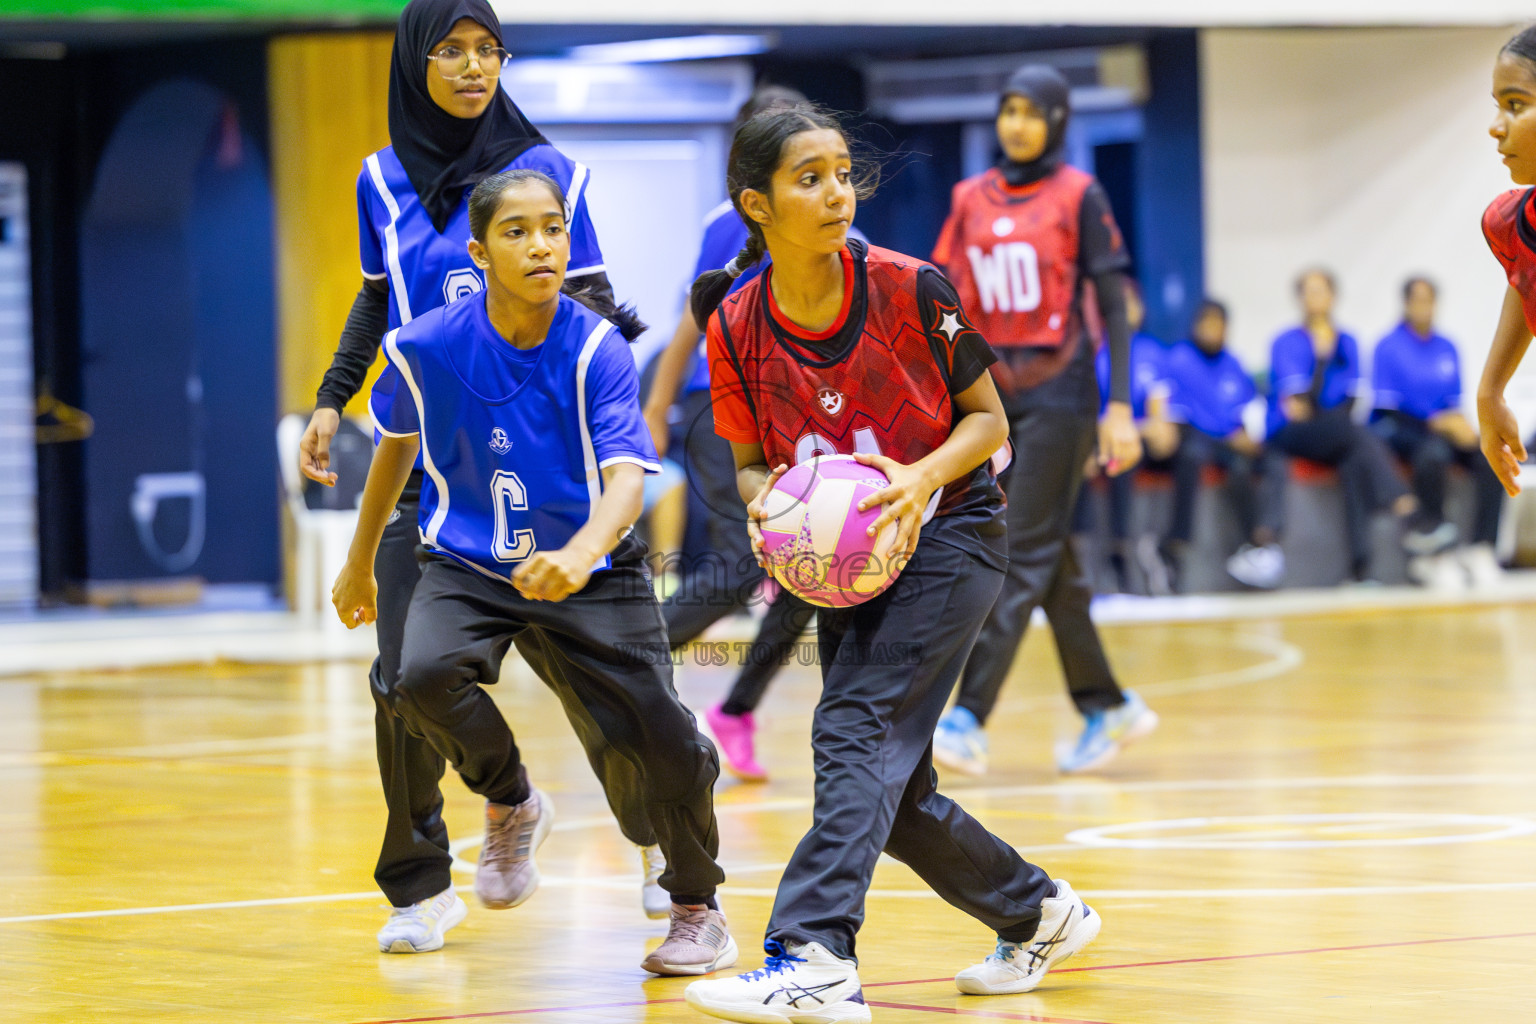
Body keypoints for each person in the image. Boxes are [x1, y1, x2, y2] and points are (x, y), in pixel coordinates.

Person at [679, 105, 1100, 1023]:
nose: (836, 193)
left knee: (853, 732)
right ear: (757, 204)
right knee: (895, 792)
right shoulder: (737, 327)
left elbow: (988, 421)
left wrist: (917, 477)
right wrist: (769, 510)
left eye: (842, 172)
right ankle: (1039, 913)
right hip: (849, 561)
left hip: (952, 530)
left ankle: (814, 956)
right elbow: (750, 461)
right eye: (809, 178)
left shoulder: (914, 289)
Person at [293, 0, 666, 953]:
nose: (471, 66)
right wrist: (336, 396)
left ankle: (666, 836)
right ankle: (421, 883)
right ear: (415, 59)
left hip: (548, 472)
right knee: (400, 680)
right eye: (451, 50)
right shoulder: (380, 181)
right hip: (433, 473)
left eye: (487, 49)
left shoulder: (553, 177)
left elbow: (585, 308)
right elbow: (378, 301)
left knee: (604, 683)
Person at [332, 170, 738, 973]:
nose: (542, 245)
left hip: (593, 566)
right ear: (479, 252)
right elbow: (394, 449)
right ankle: (513, 800)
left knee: (662, 734)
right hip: (468, 559)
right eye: (517, 232)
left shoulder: (594, 347)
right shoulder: (424, 346)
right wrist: (357, 564)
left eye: (553, 228)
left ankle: (698, 906)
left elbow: (628, 477)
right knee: (415, 677)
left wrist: (583, 551)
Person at [929, 65, 1158, 777]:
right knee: (1049, 559)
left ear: (1058, 121)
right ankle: (1106, 702)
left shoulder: (1079, 195)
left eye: (1033, 112)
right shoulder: (968, 199)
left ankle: (969, 716)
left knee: (1018, 550)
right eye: (1008, 110)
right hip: (994, 395)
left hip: (1063, 394)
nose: (1018, 124)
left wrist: (1119, 403)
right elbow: (941, 301)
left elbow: (1114, 303)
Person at [642, 86, 824, 782]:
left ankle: (737, 710)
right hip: (720, 407)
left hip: (791, 417)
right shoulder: (733, 222)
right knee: (741, 565)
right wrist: (656, 407)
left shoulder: (821, 217)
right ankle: (616, 659)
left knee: (812, 571)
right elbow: (691, 321)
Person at [1265, 269, 1416, 584]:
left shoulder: (1348, 342)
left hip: (1336, 435)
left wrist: (1320, 408)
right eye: (1308, 291)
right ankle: (1400, 499)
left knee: (1354, 460)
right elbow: (1298, 410)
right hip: (1290, 435)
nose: (1314, 298)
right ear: (1299, 298)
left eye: (1320, 291)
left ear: (1332, 296)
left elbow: (1348, 403)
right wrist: (1320, 360)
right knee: (1356, 435)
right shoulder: (1286, 342)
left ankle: (1362, 571)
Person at [1371, 277, 1506, 587]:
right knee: (1433, 454)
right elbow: (1388, 406)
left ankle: (1481, 547)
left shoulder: (1447, 347)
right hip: (1400, 428)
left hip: (1442, 427)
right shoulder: (1388, 346)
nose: (1424, 307)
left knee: (1489, 456)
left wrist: (1467, 428)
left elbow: (1453, 403)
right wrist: (1436, 423)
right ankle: (1432, 552)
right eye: (1418, 300)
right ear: (1406, 304)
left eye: (1429, 300)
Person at [1162, 299, 1288, 589]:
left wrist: (1247, 433)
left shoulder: (1233, 363)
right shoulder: (1179, 360)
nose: (1212, 330)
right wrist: (1229, 437)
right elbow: (1180, 415)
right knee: (1214, 461)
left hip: (1233, 442)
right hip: (1198, 440)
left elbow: (1245, 407)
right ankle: (1182, 545)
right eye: (1206, 323)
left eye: (1218, 324)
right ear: (1195, 326)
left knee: (1272, 458)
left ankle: (1265, 538)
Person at [1478, 25, 1536, 535]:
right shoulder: (1508, 222)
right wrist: (1490, 392)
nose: (1497, 127)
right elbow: (1526, 277)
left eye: (1515, 105)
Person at [1094, 281, 1179, 593]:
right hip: (1106, 437)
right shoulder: (1096, 351)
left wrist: (1161, 427)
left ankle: (1173, 544)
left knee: (1188, 452)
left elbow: (1159, 405)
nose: (1128, 310)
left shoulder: (1152, 351)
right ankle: (1119, 551)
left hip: (1142, 434)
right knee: (1119, 455)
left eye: (1133, 303)